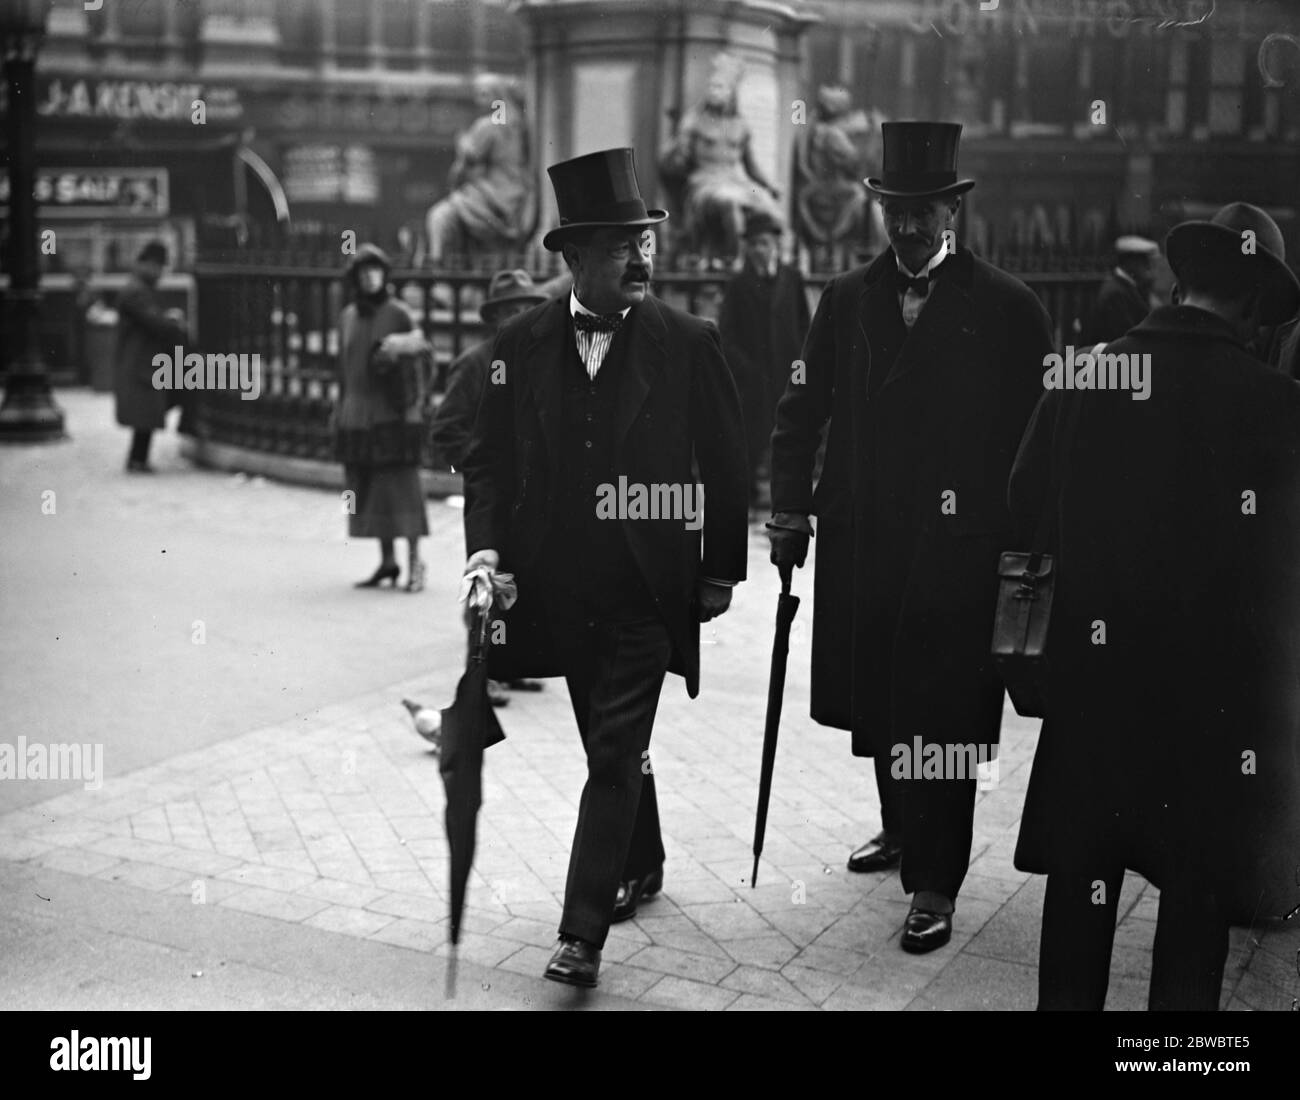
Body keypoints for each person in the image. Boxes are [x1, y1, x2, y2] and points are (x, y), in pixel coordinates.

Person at [460, 148, 749, 987]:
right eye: (623, 244)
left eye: (646, 240)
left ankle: (582, 931)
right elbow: (486, 457)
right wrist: (484, 548)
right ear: (574, 257)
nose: (642, 257)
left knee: (616, 749)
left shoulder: (688, 342)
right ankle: (644, 857)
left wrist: (720, 568)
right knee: (607, 744)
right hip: (560, 590)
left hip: (646, 592)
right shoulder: (519, 344)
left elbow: (727, 463)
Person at [768, 122, 1054, 954]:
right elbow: (799, 411)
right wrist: (790, 511)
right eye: (895, 209)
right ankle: (901, 830)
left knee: (946, 715)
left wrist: (1028, 541)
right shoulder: (848, 296)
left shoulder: (1006, 305)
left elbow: (1045, 434)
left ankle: (935, 881)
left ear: (953, 209)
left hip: (960, 551)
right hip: (869, 544)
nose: (908, 226)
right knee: (886, 703)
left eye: (923, 210)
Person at [1009, 202, 1300, 1011]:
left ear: (1180, 279)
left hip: (1092, 689)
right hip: (1213, 710)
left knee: (1081, 889)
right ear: (1251, 304)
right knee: (1195, 905)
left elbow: (1021, 508)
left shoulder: (1087, 375)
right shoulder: (1278, 406)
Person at [431, 268, 549, 705]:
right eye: (511, 311)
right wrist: (482, 464)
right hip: (492, 495)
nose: (520, 318)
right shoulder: (476, 363)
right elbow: (445, 430)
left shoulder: (541, 361)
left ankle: (512, 664)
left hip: (533, 493)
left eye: (527, 309)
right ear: (495, 317)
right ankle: (483, 672)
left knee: (526, 581)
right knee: (488, 582)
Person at [334, 244, 431, 592]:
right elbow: (343, 369)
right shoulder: (347, 317)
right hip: (357, 415)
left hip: (394, 415)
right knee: (372, 488)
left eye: (375, 271)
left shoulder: (399, 312)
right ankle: (388, 561)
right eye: (363, 272)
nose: (370, 277)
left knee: (403, 489)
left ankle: (415, 562)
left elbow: (422, 349)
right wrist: (340, 411)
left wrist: (398, 347)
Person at [717, 210, 810, 509]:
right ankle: (749, 494)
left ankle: (785, 494)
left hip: (785, 372)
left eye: (765, 243)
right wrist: (745, 368)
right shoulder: (738, 284)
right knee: (753, 435)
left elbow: (804, 325)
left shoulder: (791, 279)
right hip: (753, 377)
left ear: (776, 246)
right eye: (755, 244)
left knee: (787, 434)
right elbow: (726, 335)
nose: (760, 249)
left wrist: (800, 364)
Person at [113, 241, 188, 473]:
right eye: (158, 267)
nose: (160, 273)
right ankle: (137, 460)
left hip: (143, 361)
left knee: (146, 413)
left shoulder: (138, 288)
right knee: (145, 412)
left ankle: (138, 459)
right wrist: (171, 321)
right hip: (140, 362)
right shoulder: (136, 290)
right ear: (147, 264)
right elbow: (154, 322)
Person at [1081, 235, 1158, 345]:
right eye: (1143, 262)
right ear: (1130, 262)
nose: (1148, 267)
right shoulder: (1116, 293)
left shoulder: (1125, 287)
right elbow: (1122, 338)